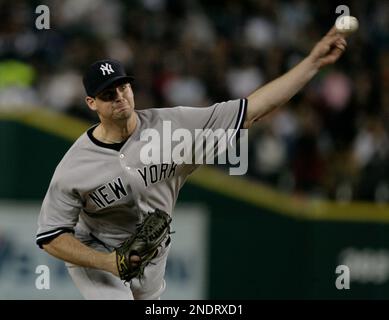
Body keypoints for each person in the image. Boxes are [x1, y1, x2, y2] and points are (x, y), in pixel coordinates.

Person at [36, 27, 347, 300]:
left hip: (151, 258)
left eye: (123, 87)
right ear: (92, 103)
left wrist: (312, 63)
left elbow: (255, 108)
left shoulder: (173, 128)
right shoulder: (74, 167)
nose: (119, 96)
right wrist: (106, 262)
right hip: (96, 253)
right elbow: (50, 236)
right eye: (107, 93)